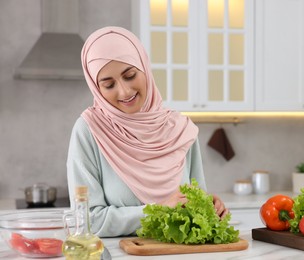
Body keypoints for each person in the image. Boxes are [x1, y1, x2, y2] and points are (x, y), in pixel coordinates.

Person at [66, 26, 229, 238]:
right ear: (96, 88)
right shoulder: (88, 131)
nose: (124, 91)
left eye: (130, 75)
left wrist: (210, 207)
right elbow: (88, 221)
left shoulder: (181, 129)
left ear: (144, 67)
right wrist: (160, 210)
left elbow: (194, 203)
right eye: (108, 84)